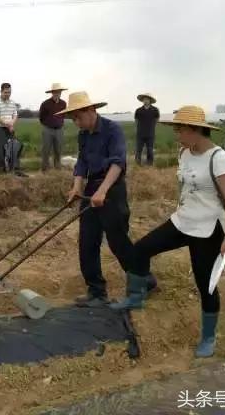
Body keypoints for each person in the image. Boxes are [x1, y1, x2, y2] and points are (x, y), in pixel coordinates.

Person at [111, 106, 225, 358]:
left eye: (179, 130)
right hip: (183, 221)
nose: (176, 134)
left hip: (208, 229)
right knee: (140, 249)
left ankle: (208, 336)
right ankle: (136, 296)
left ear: (195, 130)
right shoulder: (184, 152)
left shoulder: (219, 158)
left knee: (206, 285)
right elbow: (185, 187)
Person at [58, 91, 157, 308]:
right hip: (92, 187)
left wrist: (102, 191)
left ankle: (144, 279)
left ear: (91, 111)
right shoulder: (83, 135)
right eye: (72, 118)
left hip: (112, 188)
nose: (76, 122)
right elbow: (82, 163)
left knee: (117, 241)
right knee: (87, 241)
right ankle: (96, 291)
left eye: (78, 117)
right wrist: (76, 188)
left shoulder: (113, 130)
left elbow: (117, 162)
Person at [0, 83, 24, 175]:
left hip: (10, 128)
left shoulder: (12, 103)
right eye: (5, 92)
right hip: (0, 129)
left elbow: (15, 115)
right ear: (1, 91)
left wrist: (12, 124)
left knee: (13, 148)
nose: (7, 94)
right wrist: (7, 124)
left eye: (9, 92)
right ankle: (1, 171)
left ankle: (13, 169)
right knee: (1, 151)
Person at [39, 83, 68, 171]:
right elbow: (41, 117)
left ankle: (57, 169)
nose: (57, 93)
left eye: (59, 92)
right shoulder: (45, 104)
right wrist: (48, 124)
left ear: (61, 92)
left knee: (58, 150)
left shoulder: (63, 103)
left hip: (59, 130)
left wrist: (59, 123)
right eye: (55, 92)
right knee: (46, 150)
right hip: (48, 129)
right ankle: (44, 170)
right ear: (52, 93)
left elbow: (63, 115)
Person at [134, 93, 160, 166]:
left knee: (150, 149)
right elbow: (136, 120)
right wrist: (138, 128)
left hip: (150, 133)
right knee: (138, 149)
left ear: (150, 100)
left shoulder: (155, 110)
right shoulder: (138, 110)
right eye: (144, 99)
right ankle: (137, 163)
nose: (145, 101)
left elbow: (157, 119)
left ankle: (149, 163)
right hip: (140, 133)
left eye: (147, 99)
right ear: (142, 100)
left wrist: (152, 126)